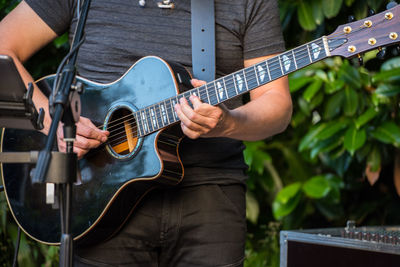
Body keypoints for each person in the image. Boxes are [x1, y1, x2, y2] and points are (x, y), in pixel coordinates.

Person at [0, 0, 292, 266]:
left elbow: (276, 103)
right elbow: (3, 46)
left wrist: (230, 123)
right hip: (98, 196)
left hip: (210, 197)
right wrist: (54, 121)